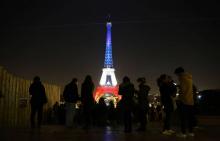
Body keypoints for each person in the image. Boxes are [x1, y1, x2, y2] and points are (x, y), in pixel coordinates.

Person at [174, 67, 195, 137]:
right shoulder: (189, 78)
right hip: (191, 100)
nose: (177, 76)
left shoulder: (182, 78)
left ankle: (183, 133)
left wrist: (179, 98)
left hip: (184, 101)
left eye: (177, 74)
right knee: (190, 117)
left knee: (183, 117)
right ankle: (191, 132)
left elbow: (183, 90)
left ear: (179, 73)